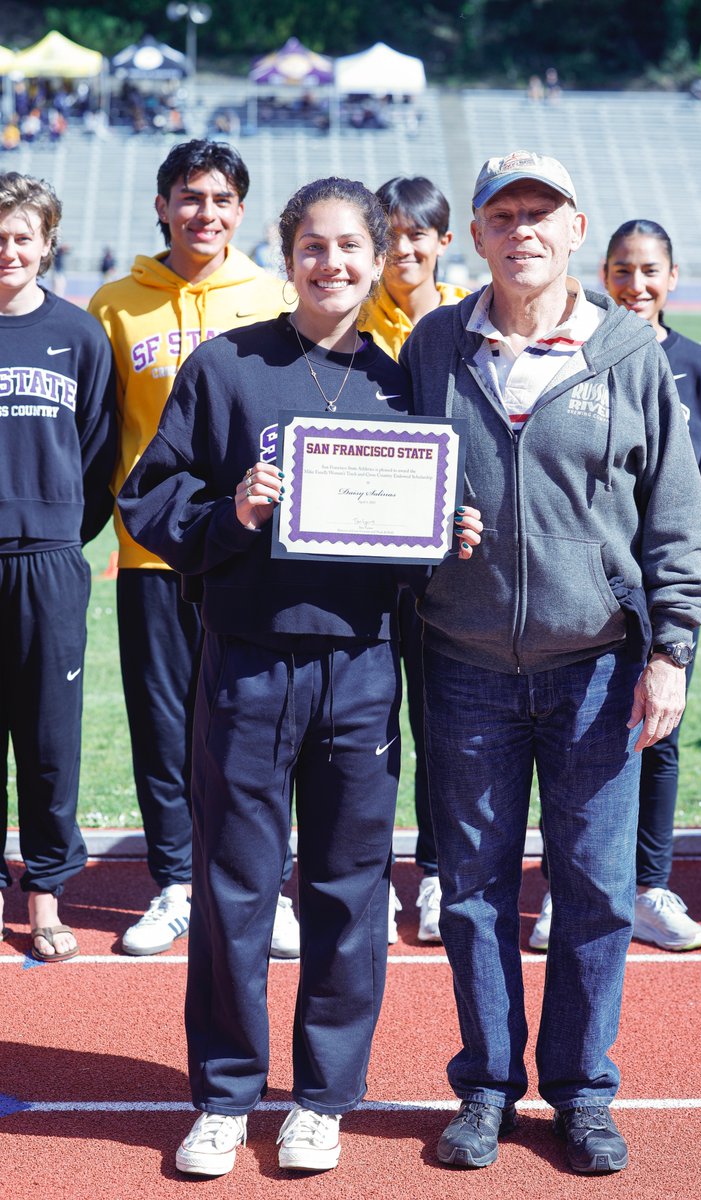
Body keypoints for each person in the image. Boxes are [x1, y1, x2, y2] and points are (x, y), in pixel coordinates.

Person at [117, 175, 481, 1176]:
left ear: (379, 257)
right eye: (313, 247)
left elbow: (416, 535)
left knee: (348, 890)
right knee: (235, 888)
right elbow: (146, 501)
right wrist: (229, 513)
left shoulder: (404, 379)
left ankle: (321, 1098)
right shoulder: (226, 365)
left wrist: (447, 536)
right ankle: (227, 1098)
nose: (332, 265)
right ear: (288, 257)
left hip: (361, 666)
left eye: (350, 248)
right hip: (245, 664)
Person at [400, 151, 701, 1174]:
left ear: (575, 227)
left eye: (541, 212)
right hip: (464, 664)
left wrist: (668, 652)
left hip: (596, 669)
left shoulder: (627, 354)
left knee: (594, 893)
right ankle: (485, 1089)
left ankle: (580, 1094)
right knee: (477, 892)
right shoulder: (435, 343)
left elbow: (672, 520)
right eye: (503, 214)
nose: (521, 229)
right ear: (477, 235)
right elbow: (399, 485)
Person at [88, 140, 296, 958]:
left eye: (218, 199)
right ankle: (175, 881)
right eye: (188, 197)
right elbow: (99, 435)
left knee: (259, 722)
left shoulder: (274, 296)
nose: (203, 213)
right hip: (152, 556)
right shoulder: (116, 305)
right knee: (164, 724)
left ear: (240, 211)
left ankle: (266, 883)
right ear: (162, 206)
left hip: (250, 552)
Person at [529, 219, 701, 953]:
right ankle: (564, 887)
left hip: (664, 587)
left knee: (659, 736)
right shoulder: (579, 353)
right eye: (621, 270)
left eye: (649, 271)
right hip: (589, 587)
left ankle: (648, 886)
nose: (635, 285)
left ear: (672, 278)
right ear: (602, 272)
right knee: (573, 738)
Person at [0, 172, 116, 961]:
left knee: (48, 739)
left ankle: (44, 894)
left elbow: (101, 453)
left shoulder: (78, 335)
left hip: (47, 561)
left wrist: (56, 533)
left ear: (47, 244)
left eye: (20, 237)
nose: (7, 250)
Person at [360, 175, 470, 944]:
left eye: (415, 235)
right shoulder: (347, 317)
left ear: (442, 241)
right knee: (364, 722)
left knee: (440, 722)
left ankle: (436, 873)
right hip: (362, 555)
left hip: (446, 564)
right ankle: (364, 875)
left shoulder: (472, 319)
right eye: (389, 236)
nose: (403, 250)